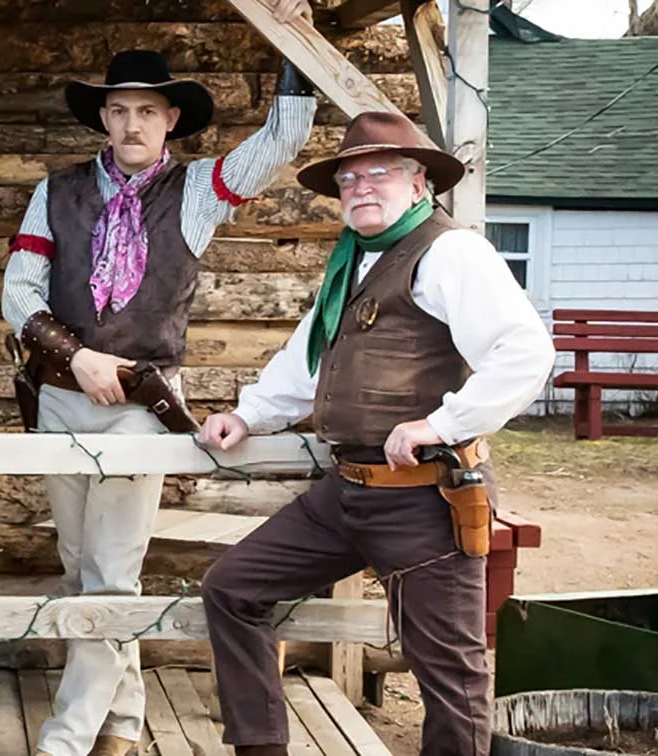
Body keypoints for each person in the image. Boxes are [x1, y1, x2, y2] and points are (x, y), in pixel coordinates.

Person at [198, 111, 556, 756]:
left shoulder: (451, 250)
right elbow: (307, 361)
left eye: (380, 172)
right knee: (233, 586)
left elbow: (524, 352)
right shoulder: (352, 264)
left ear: (419, 185)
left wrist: (441, 423)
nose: (361, 185)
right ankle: (261, 748)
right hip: (348, 491)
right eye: (349, 176)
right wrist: (247, 414)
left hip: (427, 495)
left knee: (447, 669)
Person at [0, 47, 317, 756]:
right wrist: (77, 357)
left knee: (110, 569)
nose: (132, 122)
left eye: (147, 110)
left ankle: (66, 738)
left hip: (144, 404)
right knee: (85, 564)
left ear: (171, 119)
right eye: (120, 110)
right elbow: (17, 293)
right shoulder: (57, 191)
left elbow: (283, 141)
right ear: (103, 118)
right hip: (59, 397)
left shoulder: (199, 190)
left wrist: (294, 50)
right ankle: (122, 720)